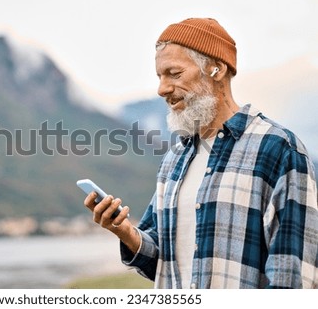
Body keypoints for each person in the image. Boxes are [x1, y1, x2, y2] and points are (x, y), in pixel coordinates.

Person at [84, 18, 318, 289]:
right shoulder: (174, 159)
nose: (162, 89)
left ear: (216, 69)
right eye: (159, 77)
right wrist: (124, 232)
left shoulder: (279, 150)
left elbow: (294, 278)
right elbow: (163, 262)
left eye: (174, 73)